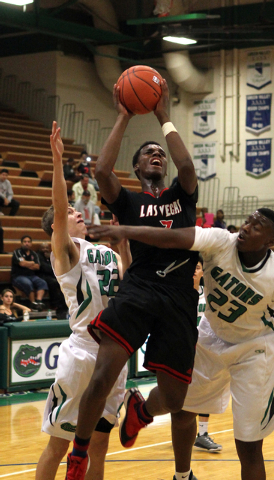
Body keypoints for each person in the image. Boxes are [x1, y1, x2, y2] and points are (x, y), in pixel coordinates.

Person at [87, 207, 274, 480]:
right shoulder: (220, 241)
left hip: (255, 347)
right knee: (180, 411)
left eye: (257, 226)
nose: (246, 227)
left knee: (249, 446)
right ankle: (172, 460)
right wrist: (125, 231)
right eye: (248, 220)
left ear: (270, 242)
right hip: (211, 332)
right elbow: (173, 237)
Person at [65, 78, 201, 480]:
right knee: (104, 375)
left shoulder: (182, 194)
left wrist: (162, 116)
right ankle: (80, 451)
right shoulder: (128, 201)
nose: (156, 154)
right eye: (148, 154)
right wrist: (124, 114)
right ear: (138, 168)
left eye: (160, 152)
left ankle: (141, 410)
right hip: (140, 287)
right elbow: (102, 169)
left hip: (178, 294)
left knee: (176, 399)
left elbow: (188, 166)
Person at [36, 121, 131, 480]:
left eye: (79, 212)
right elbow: (59, 209)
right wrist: (58, 162)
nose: (79, 213)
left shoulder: (102, 249)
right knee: (60, 445)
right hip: (83, 353)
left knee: (99, 447)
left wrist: (123, 243)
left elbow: (129, 280)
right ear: (59, 228)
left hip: (115, 352)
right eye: (74, 214)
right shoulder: (65, 251)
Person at [193, 255, 222, 453]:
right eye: (192, 267)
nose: (194, 270)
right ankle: (183, 430)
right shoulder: (180, 291)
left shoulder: (210, 292)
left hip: (204, 350)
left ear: (203, 271)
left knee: (205, 390)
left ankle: (202, 434)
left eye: (197, 267)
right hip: (184, 347)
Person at [11, 235, 48, 311]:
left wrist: (26, 263)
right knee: (28, 283)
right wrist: (31, 263)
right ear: (21, 243)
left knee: (42, 283)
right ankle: (33, 303)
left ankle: (38, 302)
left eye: (28, 242)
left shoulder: (34, 254)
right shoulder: (17, 252)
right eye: (25, 242)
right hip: (18, 276)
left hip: (32, 276)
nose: (26, 243)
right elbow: (21, 264)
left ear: (31, 243)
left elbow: (37, 266)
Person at [37, 242, 68, 319]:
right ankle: (54, 304)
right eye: (43, 248)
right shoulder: (38, 256)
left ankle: (64, 304)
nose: (45, 249)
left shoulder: (51, 255)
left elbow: (58, 266)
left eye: (47, 248)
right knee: (52, 283)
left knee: (63, 282)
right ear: (40, 248)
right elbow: (45, 268)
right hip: (41, 275)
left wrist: (49, 259)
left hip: (52, 275)